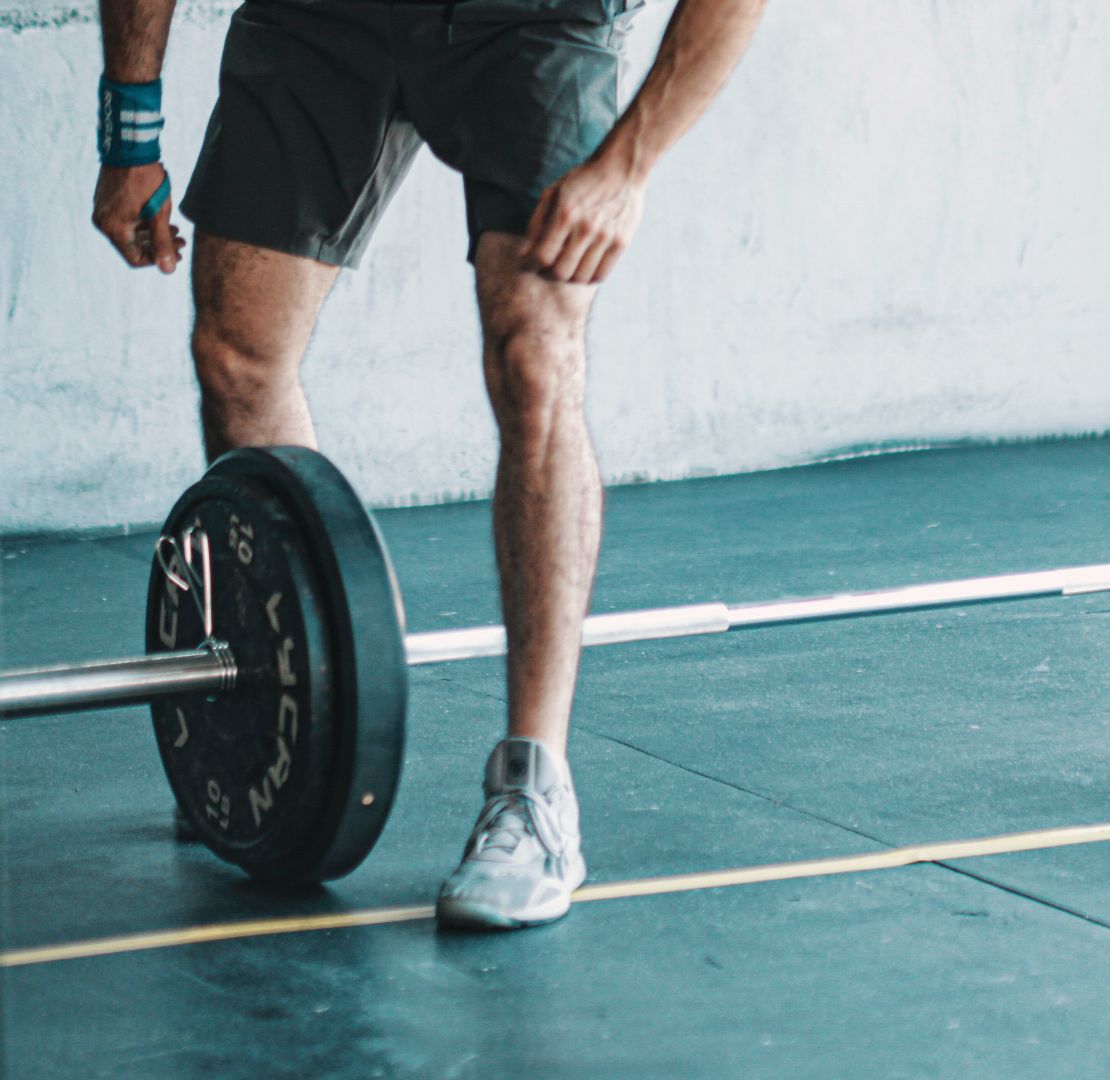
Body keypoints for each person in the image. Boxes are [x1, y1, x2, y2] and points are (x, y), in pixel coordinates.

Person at [91, 0, 768, 928]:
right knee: (238, 356)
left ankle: (536, 796)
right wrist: (130, 126)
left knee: (536, 349)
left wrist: (628, 165)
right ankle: (294, 722)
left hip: (530, 22)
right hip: (327, 16)